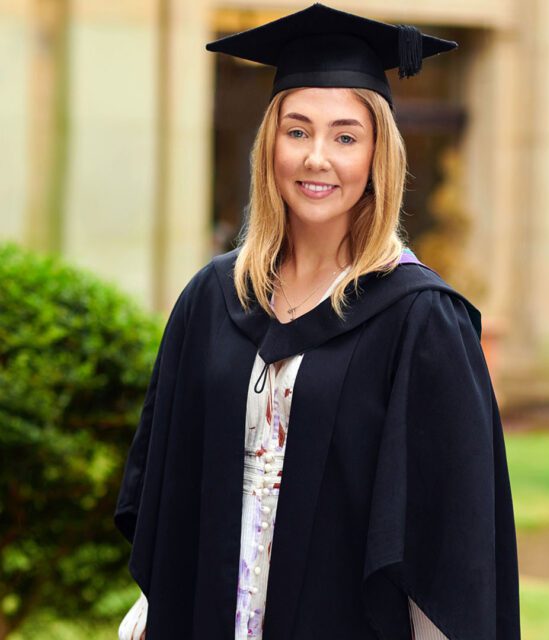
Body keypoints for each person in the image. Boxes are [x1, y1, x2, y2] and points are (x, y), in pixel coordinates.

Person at [114, 3, 521, 639]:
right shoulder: (213, 297)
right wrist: (155, 601)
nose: (317, 159)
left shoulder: (419, 319)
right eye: (297, 131)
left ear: (377, 156)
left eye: (345, 136)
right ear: (269, 144)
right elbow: (169, 476)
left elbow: (449, 529)